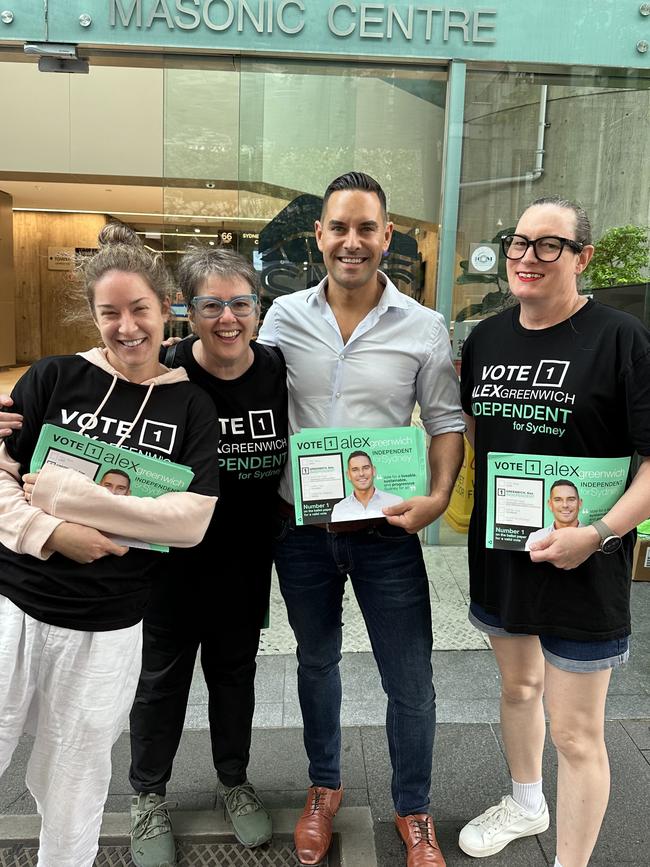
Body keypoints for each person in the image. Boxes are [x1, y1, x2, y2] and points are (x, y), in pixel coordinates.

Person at [257, 171, 465, 867]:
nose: (352, 241)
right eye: (338, 227)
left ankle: (414, 808)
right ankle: (325, 784)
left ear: (387, 236)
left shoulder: (424, 326)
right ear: (318, 236)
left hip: (387, 531)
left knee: (410, 679)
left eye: (366, 228)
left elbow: (443, 422)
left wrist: (436, 498)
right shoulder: (281, 316)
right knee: (315, 663)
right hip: (301, 527)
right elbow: (235, 392)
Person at [0, 224, 220, 867]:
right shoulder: (54, 378)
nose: (127, 328)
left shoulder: (191, 408)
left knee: (76, 773)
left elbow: (188, 522)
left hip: (111, 623)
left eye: (139, 310)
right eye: (110, 313)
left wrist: (66, 496)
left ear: (165, 308)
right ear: (94, 316)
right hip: (15, 603)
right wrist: (51, 531)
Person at [459, 196, 650, 867]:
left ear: (583, 258)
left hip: (585, 562)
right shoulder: (485, 339)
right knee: (518, 689)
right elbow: (476, 433)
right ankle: (524, 801)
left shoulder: (620, 338)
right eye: (518, 241)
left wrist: (597, 532)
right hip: (506, 552)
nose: (526, 256)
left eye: (548, 245)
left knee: (576, 734)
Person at [128, 246, 288, 867]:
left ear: (257, 308)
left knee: (234, 675)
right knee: (161, 682)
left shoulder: (275, 367)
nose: (228, 317)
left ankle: (233, 781)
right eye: (211, 304)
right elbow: (87, 403)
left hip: (247, 561)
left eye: (240, 302)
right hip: (167, 565)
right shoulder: (162, 373)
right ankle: (147, 797)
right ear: (186, 312)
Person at [330, 450, 402, 521]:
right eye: (355, 470)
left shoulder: (396, 502)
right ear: (348, 475)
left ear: (373, 471)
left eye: (366, 468)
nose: (361, 473)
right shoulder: (339, 509)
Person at [525, 480, 583, 550]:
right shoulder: (535, 538)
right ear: (550, 504)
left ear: (580, 503)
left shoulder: (594, 538)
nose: (565, 505)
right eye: (558, 500)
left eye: (571, 499)